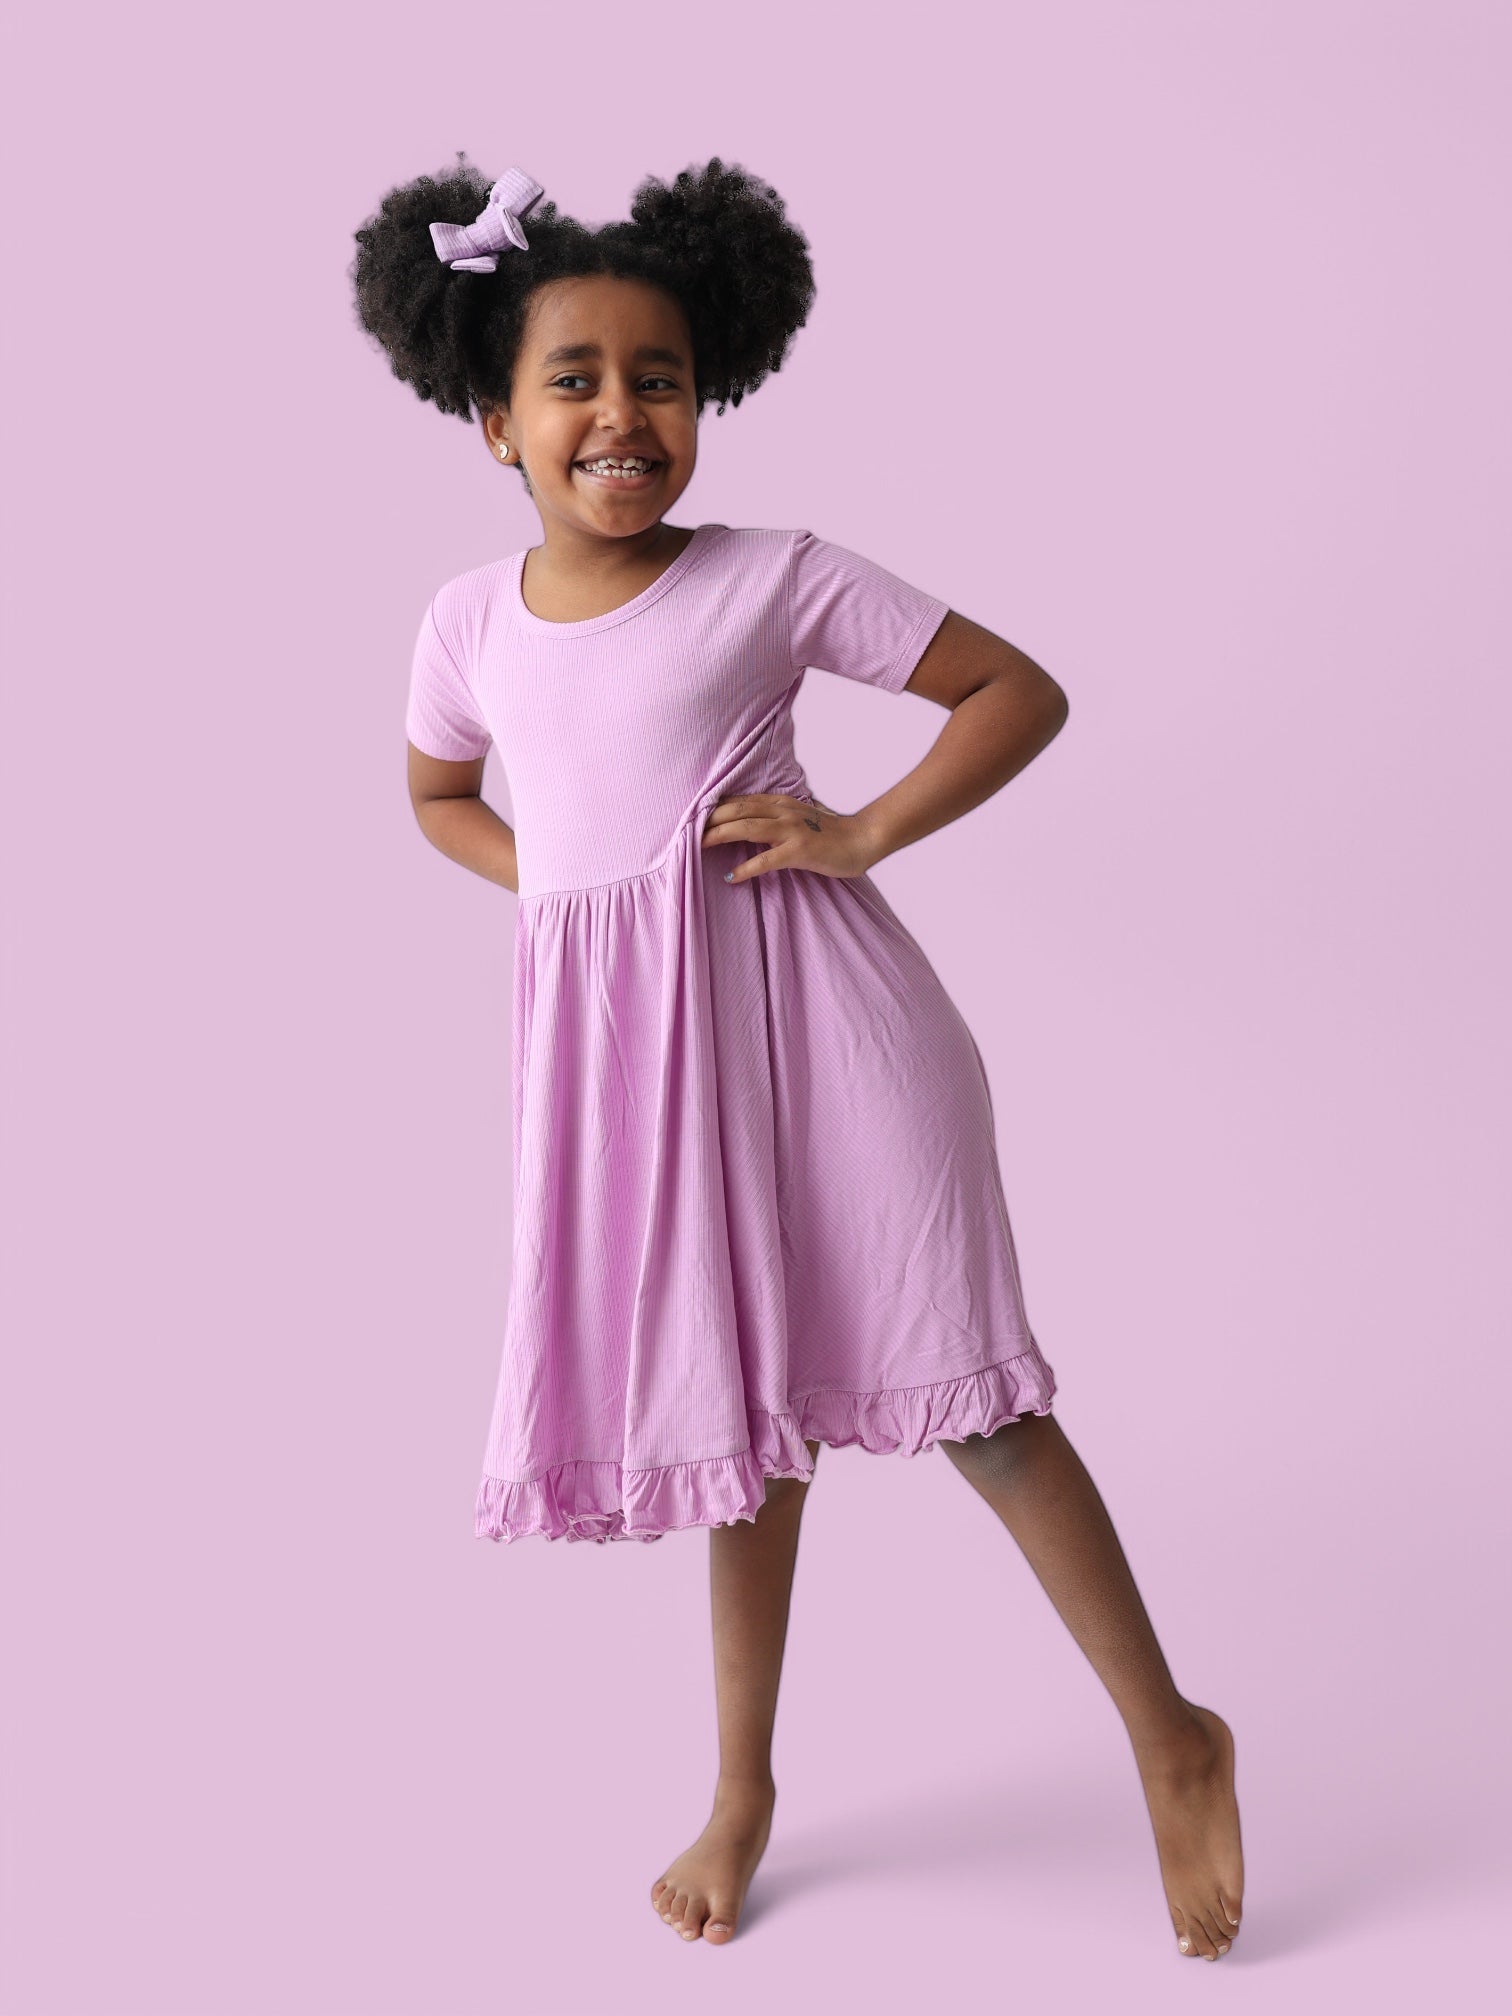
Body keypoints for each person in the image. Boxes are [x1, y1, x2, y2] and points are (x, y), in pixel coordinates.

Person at [350, 155, 1244, 1962]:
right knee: (735, 1432)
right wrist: (571, 893)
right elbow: (439, 793)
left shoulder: (771, 577)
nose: (622, 412)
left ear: (712, 397)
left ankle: (1174, 1737)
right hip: (641, 1073)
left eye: (661, 378)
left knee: (979, 1409)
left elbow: (1016, 690)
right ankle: (744, 1790)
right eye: (575, 379)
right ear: (494, 421)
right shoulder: (464, 622)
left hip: (831, 1039)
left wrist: (862, 830)